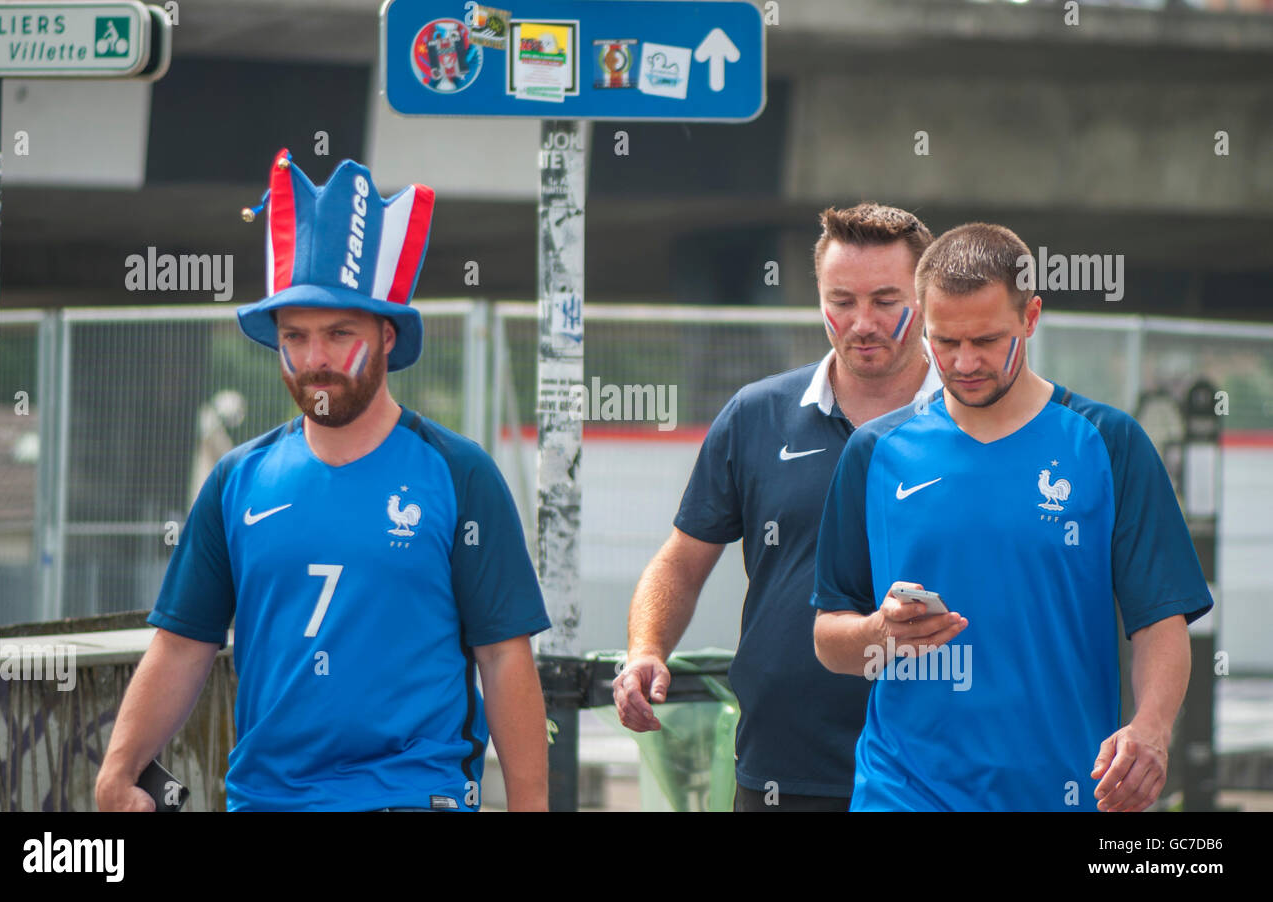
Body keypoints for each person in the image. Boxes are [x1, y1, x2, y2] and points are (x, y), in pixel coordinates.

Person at [95, 149, 551, 812]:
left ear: (388, 336)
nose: (315, 359)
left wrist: (532, 808)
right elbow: (183, 642)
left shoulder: (458, 474)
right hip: (264, 800)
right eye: (296, 335)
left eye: (340, 332)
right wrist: (119, 768)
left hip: (411, 796)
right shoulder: (236, 480)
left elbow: (505, 658)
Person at [812, 222, 1213, 812]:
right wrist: (880, 635)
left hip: (1064, 789)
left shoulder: (1107, 444)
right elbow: (828, 636)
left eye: (987, 340)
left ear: (1031, 316)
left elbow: (1161, 620)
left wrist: (1152, 728)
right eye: (945, 342)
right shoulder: (875, 453)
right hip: (903, 789)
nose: (965, 361)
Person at [614, 204, 942, 811]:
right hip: (782, 770)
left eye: (886, 300)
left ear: (924, 297)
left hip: (941, 767)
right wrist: (645, 650)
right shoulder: (755, 414)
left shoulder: (975, 423)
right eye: (842, 300)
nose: (862, 322)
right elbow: (680, 564)